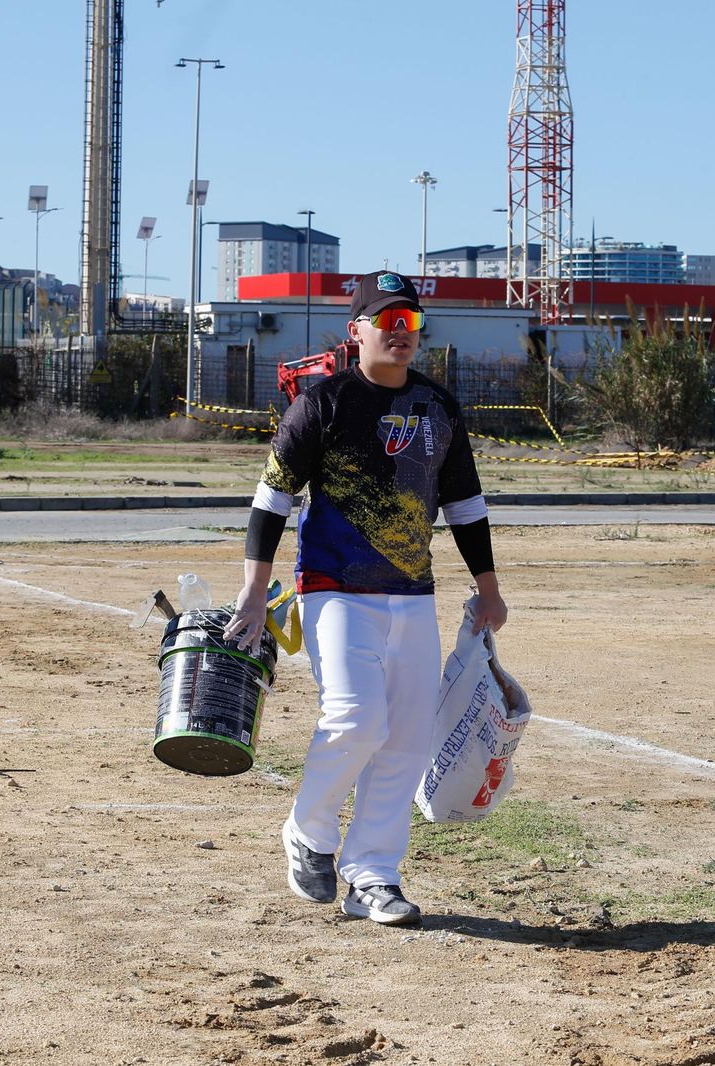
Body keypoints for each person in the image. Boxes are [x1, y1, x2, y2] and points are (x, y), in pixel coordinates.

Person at [225, 270, 507, 926]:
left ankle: (373, 875)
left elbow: (466, 505)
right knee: (356, 720)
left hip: (411, 595)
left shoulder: (438, 408)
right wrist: (250, 588)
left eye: (410, 323)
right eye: (388, 321)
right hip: (335, 590)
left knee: (408, 739)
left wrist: (488, 589)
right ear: (357, 332)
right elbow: (272, 500)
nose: (401, 333)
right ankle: (309, 832)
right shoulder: (322, 404)